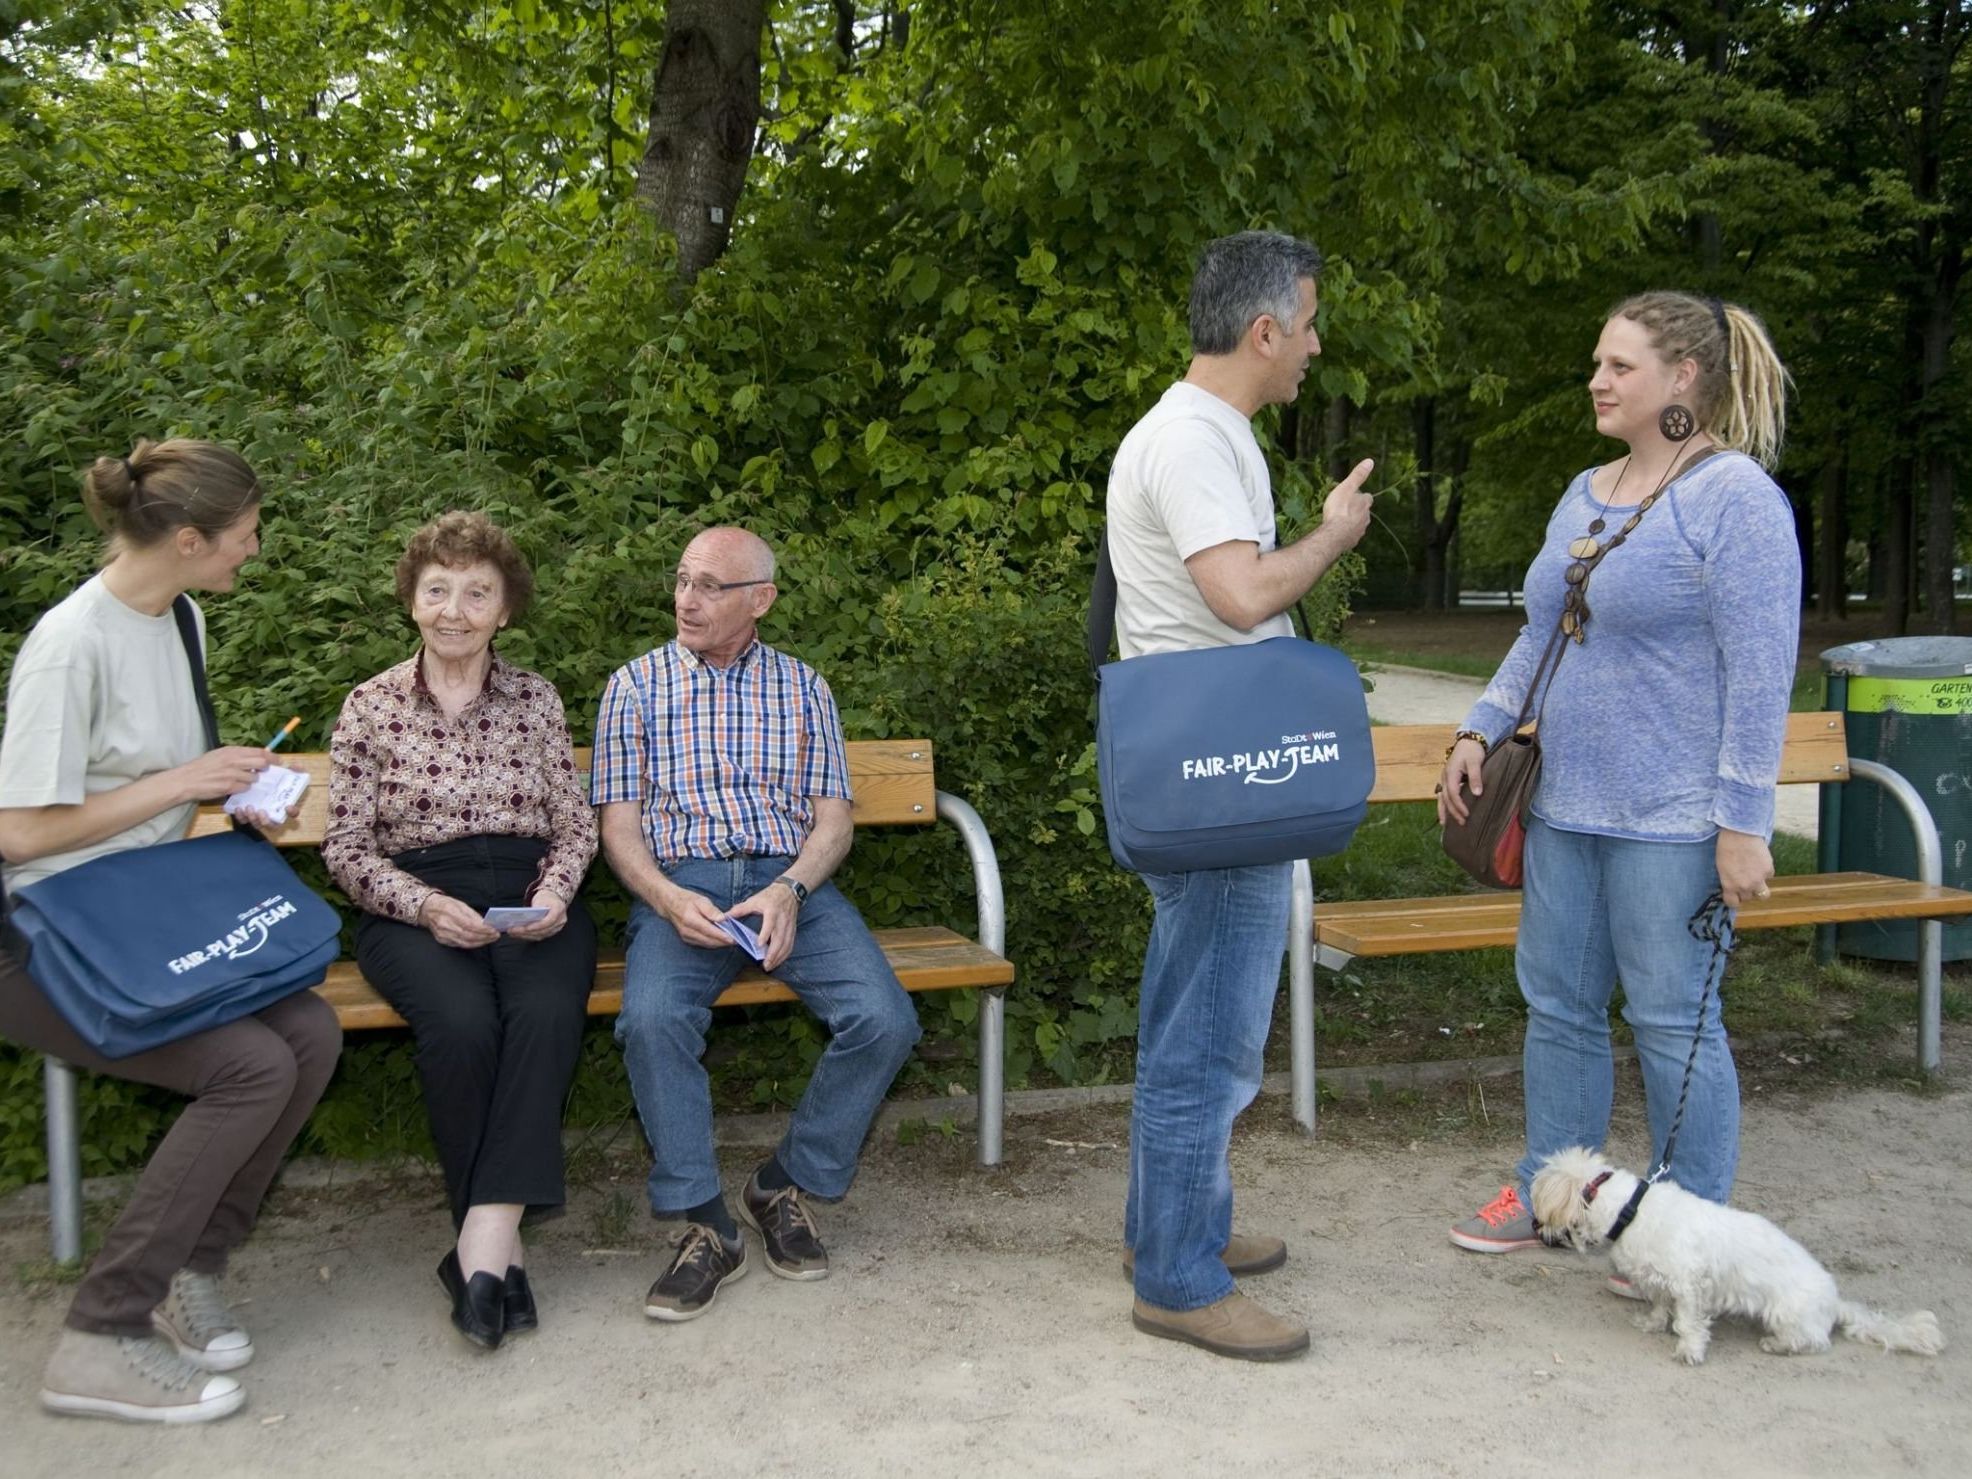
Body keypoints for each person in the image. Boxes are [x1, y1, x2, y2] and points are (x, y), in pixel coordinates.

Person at [1441, 292, 1799, 1259]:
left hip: (1673, 820)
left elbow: (1762, 677)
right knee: (1558, 1007)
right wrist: (1479, 728)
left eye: (1619, 366)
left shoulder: (1737, 500)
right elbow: (1543, 635)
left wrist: (1742, 822)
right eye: (1597, 363)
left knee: (1674, 1020)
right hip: (1563, 805)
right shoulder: (1585, 490)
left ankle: (1688, 1233)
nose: (1597, 381)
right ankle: (1548, 1197)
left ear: (1683, 379)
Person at [0, 439, 341, 1424]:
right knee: (250, 1067)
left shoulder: (179, 615)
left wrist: (234, 793)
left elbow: (156, 791)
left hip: (141, 918)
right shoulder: (71, 647)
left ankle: (192, 1271)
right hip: (45, 938)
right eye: (244, 537)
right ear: (188, 539)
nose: (255, 552)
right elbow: (19, 832)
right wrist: (182, 784)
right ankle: (98, 1336)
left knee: (308, 1034)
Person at [1106, 230, 1374, 1361]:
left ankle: (1171, 1228)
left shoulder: (1198, 433)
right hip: (1220, 785)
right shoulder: (1194, 442)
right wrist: (1333, 534)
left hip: (1206, 770)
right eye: (1308, 323)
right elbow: (1238, 595)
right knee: (1207, 1043)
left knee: (1193, 1015)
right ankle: (1178, 1277)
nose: (1315, 345)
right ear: (1263, 331)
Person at [592, 526, 919, 1323]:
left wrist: (791, 890)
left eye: (709, 585)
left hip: (786, 882)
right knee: (653, 1018)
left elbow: (833, 821)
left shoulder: (803, 687)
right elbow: (619, 831)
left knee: (885, 1019)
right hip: (684, 888)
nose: (685, 598)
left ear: (760, 599)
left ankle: (780, 1183)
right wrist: (668, 899)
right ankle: (705, 1223)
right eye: (681, 580)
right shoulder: (632, 687)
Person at [323, 511, 597, 1350]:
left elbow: (575, 825)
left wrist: (552, 894)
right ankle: (497, 1247)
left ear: (505, 609)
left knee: (546, 1013)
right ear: (411, 599)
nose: (455, 608)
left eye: (477, 591)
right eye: (437, 589)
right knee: (463, 1020)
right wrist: (421, 904)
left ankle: (481, 1242)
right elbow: (344, 843)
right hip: (411, 898)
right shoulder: (370, 705)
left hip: (526, 890)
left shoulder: (536, 698)